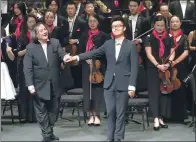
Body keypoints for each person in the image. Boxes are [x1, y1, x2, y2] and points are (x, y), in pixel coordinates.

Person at [65, 15, 138, 142]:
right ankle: (110, 137)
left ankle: (118, 138)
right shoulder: (108, 44)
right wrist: (76, 57)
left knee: (120, 113)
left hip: (124, 83)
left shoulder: (130, 45)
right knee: (110, 112)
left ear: (124, 27)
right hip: (109, 83)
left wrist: (132, 86)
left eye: (118, 26)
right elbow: (93, 53)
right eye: (113, 26)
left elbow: (134, 67)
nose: (115, 28)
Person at [23, 23, 69, 142]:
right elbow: (27, 68)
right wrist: (30, 85)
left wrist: (65, 58)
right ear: (36, 34)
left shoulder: (55, 42)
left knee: (54, 110)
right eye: (41, 30)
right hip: (39, 85)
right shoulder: (30, 48)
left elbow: (61, 53)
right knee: (41, 111)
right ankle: (47, 135)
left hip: (55, 83)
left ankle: (49, 131)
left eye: (45, 29)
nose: (44, 31)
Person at [144, 15, 175, 131]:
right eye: (158, 25)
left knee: (164, 93)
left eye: (162, 25)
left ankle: (161, 116)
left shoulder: (170, 37)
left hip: (166, 68)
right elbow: (149, 54)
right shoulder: (149, 37)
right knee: (154, 93)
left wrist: (169, 63)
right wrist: (158, 65)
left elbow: (172, 52)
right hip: (153, 68)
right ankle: (155, 118)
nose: (160, 27)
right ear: (154, 25)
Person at [79, 14, 111, 126]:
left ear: (98, 23)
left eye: (94, 21)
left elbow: (105, 52)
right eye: (90, 21)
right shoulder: (83, 36)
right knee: (88, 90)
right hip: (86, 65)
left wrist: (95, 61)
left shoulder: (104, 36)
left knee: (97, 90)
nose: (92, 23)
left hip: (98, 66)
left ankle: (97, 114)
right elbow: (80, 51)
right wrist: (86, 59)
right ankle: (90, 114)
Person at [17, 14, 37, 123]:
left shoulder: (38, 36)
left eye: (33, 21)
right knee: (24, 90)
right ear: (26, 23)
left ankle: (33, 116)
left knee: (34, 91)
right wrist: (29, 48)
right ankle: (23, 115)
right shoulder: (21, 36)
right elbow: (19, 53)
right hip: (24, 66)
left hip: (36, 66)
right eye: (29, 22)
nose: (32, 24)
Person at [169, 15, 189, 122]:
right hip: (168, 65)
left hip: (181, 65)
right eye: (172, 22)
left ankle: (180, 116)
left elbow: (186, 52)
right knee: (168, 90)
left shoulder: (184, 37)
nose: (174, 23)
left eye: (177, 22)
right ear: (170, 23)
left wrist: (176, 61)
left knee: (180, 90)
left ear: (180, 23)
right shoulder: (167, 35)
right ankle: (168, 115)